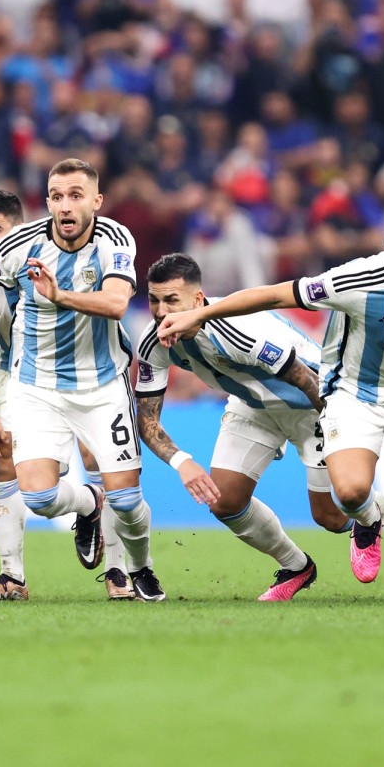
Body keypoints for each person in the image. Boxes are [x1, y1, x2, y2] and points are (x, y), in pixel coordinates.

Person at [159, 194, 384, 603]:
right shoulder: (355, 280)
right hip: (346, 395)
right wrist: (200, 316)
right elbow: (276, 294)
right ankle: (306, 559)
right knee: (334, 497)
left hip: (383, 395)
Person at [0, 158, 167, 602]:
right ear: (47, 203)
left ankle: (137, 567)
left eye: (76, 196)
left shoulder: (115, 239)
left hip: (102, 384)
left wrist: (60, 295)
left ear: (96, 202)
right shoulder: (18, 246)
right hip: (36, 385)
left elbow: (118, 303)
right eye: (57, 197)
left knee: (127, 500)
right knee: (40, 497)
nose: (65, 206)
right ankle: (88, 504)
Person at [135, 253, 340, 602]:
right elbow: (147, 418)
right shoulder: (153, 342)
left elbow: (304, 378)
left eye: (172, 300)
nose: (161, 312)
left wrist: (338, 422)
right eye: (154, 300)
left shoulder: (232, 327)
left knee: (332, 517)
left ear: (198, 300)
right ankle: (296, 566)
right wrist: (182, 461)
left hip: (310, 402)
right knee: (225, 501)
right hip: (250, 403)